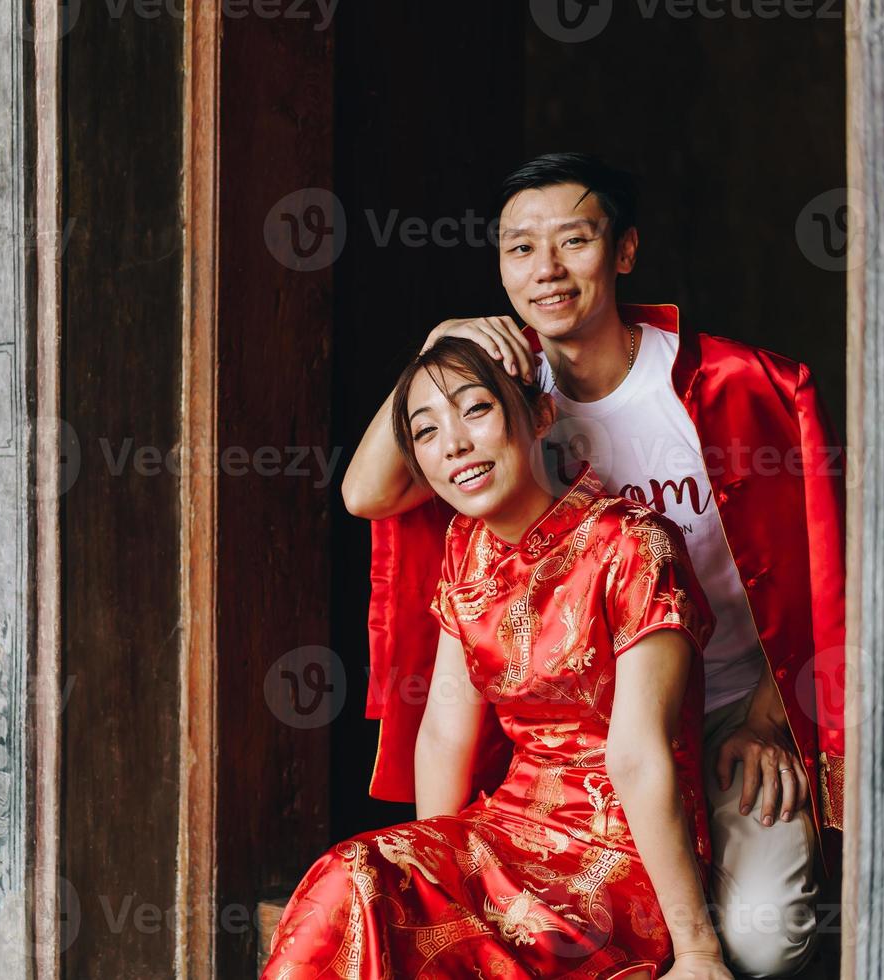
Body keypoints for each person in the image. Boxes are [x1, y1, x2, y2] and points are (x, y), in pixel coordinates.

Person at [344, 153, 845, 977]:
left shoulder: (734, 387)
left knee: (762, 940)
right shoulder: (499, 397)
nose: (545, 270)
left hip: (725, 710)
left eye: (572, 240)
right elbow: (368, 493)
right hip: (565, 735)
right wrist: (437, 349)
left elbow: (828, 571)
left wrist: (769, 713)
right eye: (518, 249)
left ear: (623, 251)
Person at [262, 337, 730, 980]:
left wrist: (699, 951)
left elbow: (641, 753)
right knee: (355, 879)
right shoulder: (465, 547)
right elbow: (446, 729)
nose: (453, 443)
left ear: (539, 417)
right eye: (426, 431)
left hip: (619, 852)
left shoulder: (633, 545)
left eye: (475, 410)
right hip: (508, 829)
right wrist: (432, 867)